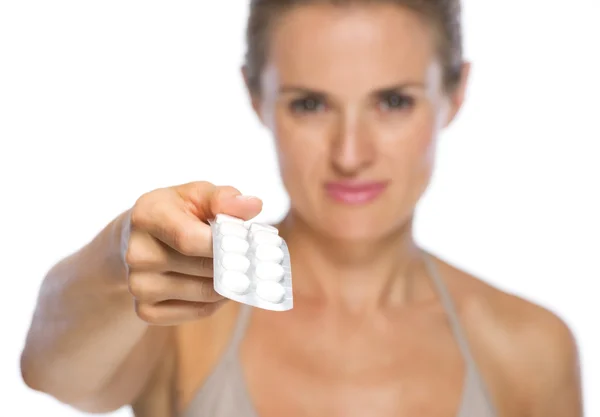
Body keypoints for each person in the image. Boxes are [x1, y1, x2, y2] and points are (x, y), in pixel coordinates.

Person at [20, 0, 583, 416]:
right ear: (257, 96)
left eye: (393, 101)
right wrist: (119, 258)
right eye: (310, 104)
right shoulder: (189, 313)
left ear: (455, 93)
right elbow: (52, 374)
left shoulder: (530, 349)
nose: (351, 154)